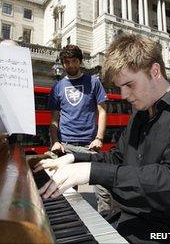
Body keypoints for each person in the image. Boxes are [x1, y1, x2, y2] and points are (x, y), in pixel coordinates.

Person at [35, 34, 170, 243]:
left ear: (155, 72)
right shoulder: (140, 114)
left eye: (129, 85)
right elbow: (117, 158)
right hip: (129, 220)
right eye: (120, 87)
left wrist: (93, 172)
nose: (125, 95)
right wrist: (74, 158)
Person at [47, 44, 115, 217]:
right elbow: (54, 118)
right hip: (65, 146)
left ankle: (108, 224)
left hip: (90, 146)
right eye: (66, 62)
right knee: (66, 190)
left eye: (73, 61)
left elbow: (102, 111)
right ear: (62, 64)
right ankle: (74, 222)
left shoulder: (93, 82)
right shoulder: (57, 87)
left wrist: (99, 138)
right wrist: (54, 141)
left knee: (103, 191)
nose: (70, 65)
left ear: (80, 62)